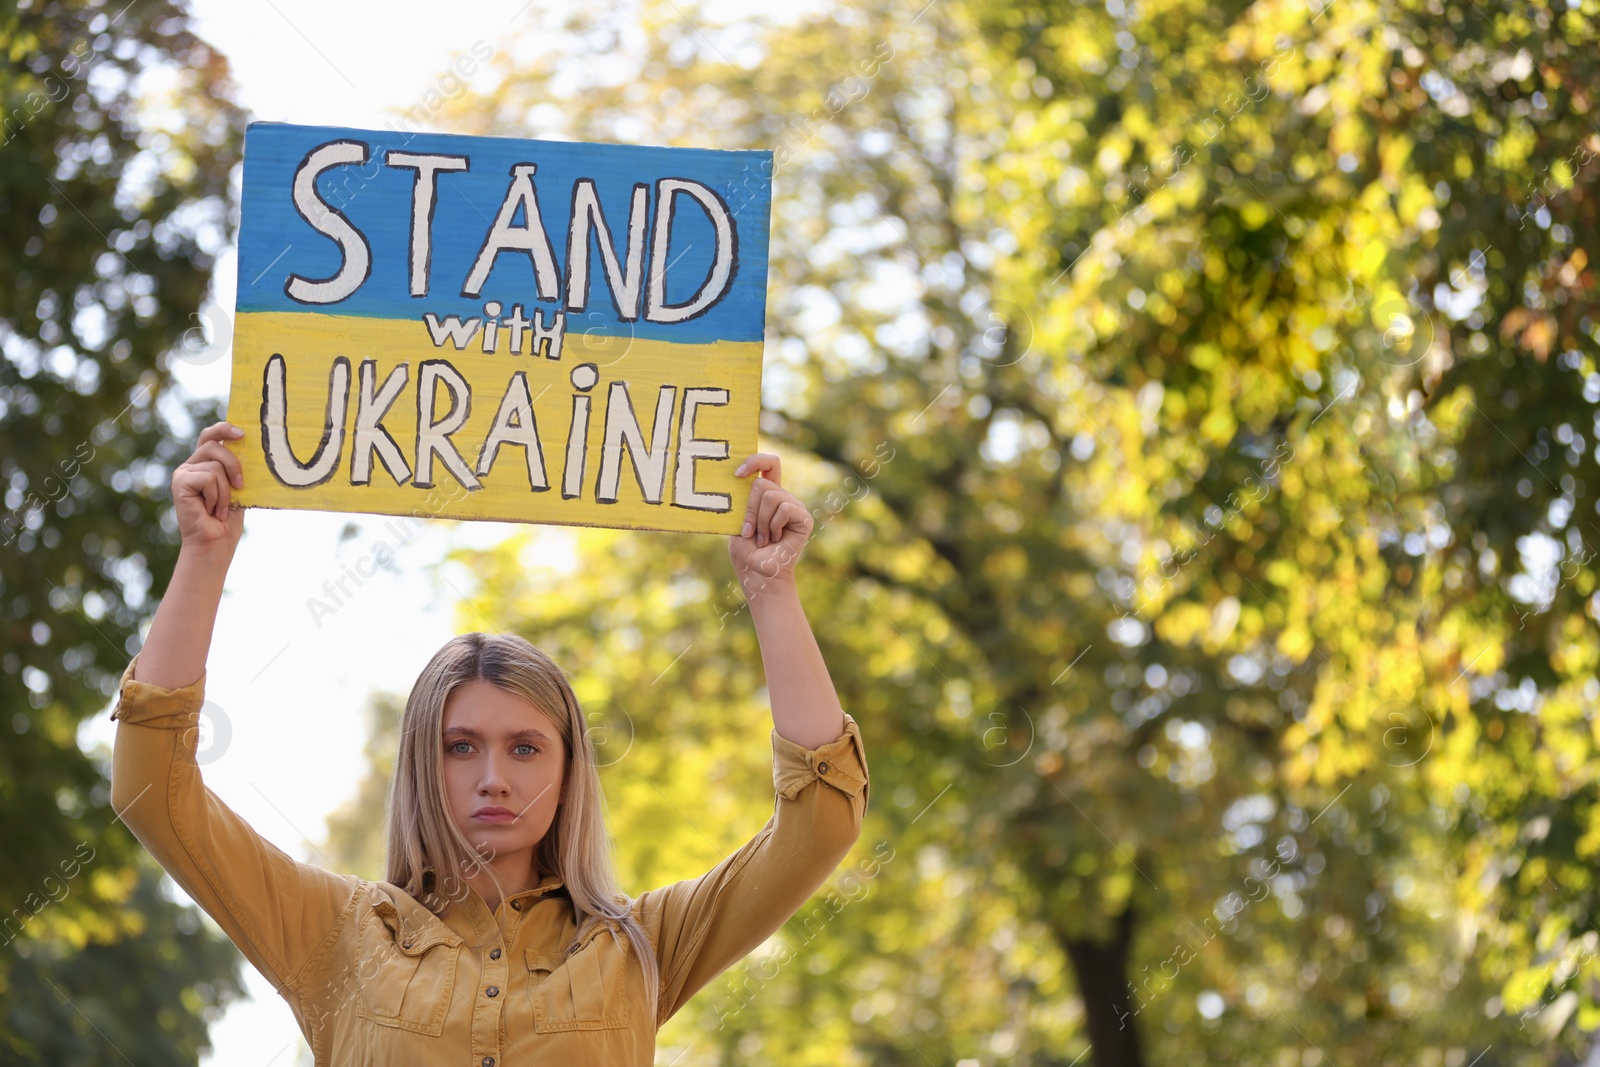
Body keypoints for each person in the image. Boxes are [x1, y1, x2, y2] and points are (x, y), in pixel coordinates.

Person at [109, 420, 870, 1065]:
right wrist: (204, 556)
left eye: (527, 748)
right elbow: (153, 790)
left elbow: (822, 818)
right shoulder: (336, 932)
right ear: (419, 766)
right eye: (461, 746)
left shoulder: (642, 946)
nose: (494, 777)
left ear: (571, 772)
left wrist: (772, 591)